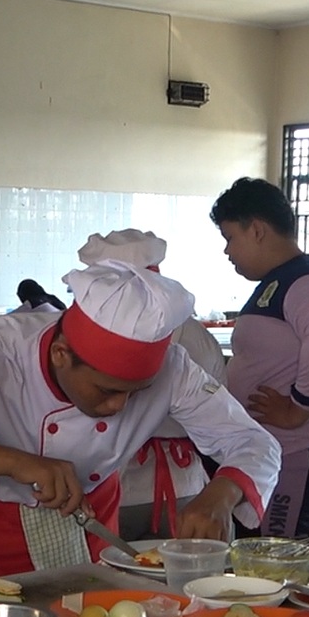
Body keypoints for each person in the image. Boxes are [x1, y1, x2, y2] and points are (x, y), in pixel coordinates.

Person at [0, 260, 280, 582]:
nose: (119, 406)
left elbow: (254, 442)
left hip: (95, 540)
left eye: (136, 393)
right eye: (107, 390)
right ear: (61, 354)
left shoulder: (174, 368)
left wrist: (221, 494)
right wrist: (13, 461)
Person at [213, 177, 309, 537]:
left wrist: (298, 408)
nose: (227, 251)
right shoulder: (281, 280)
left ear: (257, 230)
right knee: (254, 559)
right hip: (273, 452)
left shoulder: (308, 280)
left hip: (299, 451)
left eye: (230, 237)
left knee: (275, 561)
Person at [73, 229, 229, 540]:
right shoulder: (197, 333)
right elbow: (222, 410)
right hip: (187, 487)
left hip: (115, 488)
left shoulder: (85, 337)